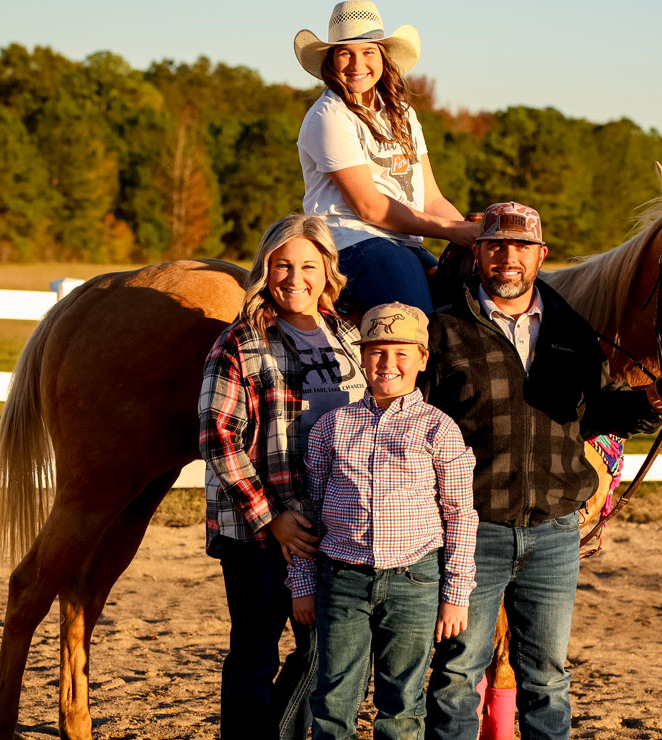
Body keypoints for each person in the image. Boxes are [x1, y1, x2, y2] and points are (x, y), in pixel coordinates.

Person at [420, 202, 662, 739]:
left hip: (554, 531)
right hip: (474, 531)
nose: (509, 257)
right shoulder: (444, 330)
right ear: (478, 252)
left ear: (541, 255)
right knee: (458, 675)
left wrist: (651, 404)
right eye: (496, 245)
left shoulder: (572, 331)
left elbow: (594, 415)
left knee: (548, 678)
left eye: (522, 247)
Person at [198, 213, 368, 740]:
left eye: (308, 266)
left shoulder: (346, 335)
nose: (296, 278)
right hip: (256, 530)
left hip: (329, 525)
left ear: (327, 270)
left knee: (322, 651)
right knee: (255, 651)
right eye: (283, 265)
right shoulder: (241, 342)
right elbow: (217, 438)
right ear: (266, 270)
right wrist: (272, 518)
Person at [287, 301, 478, 740]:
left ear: (422, 358)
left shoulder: (439, 429)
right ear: (361, 355)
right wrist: (302, 584)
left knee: (402, 704)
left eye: (401, 353)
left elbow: (460, 516)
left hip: (414, 580)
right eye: (376, 352)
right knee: (333, 699)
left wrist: (455, 593)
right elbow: (309, 511)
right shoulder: (333, 427)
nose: (387, 364)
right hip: (342, 578)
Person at [293, 1, 480, 313]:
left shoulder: (403, 115)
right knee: (419, 324)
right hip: (352, 241)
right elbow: (370, 207)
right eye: (345, 53)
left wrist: (476, 234)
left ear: (382, 56)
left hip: (403, 243)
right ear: (330, 60)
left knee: (469, 303)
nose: (357, 63)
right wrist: (453, 232)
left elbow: (430, 198)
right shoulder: (330, 116)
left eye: (368, 51)